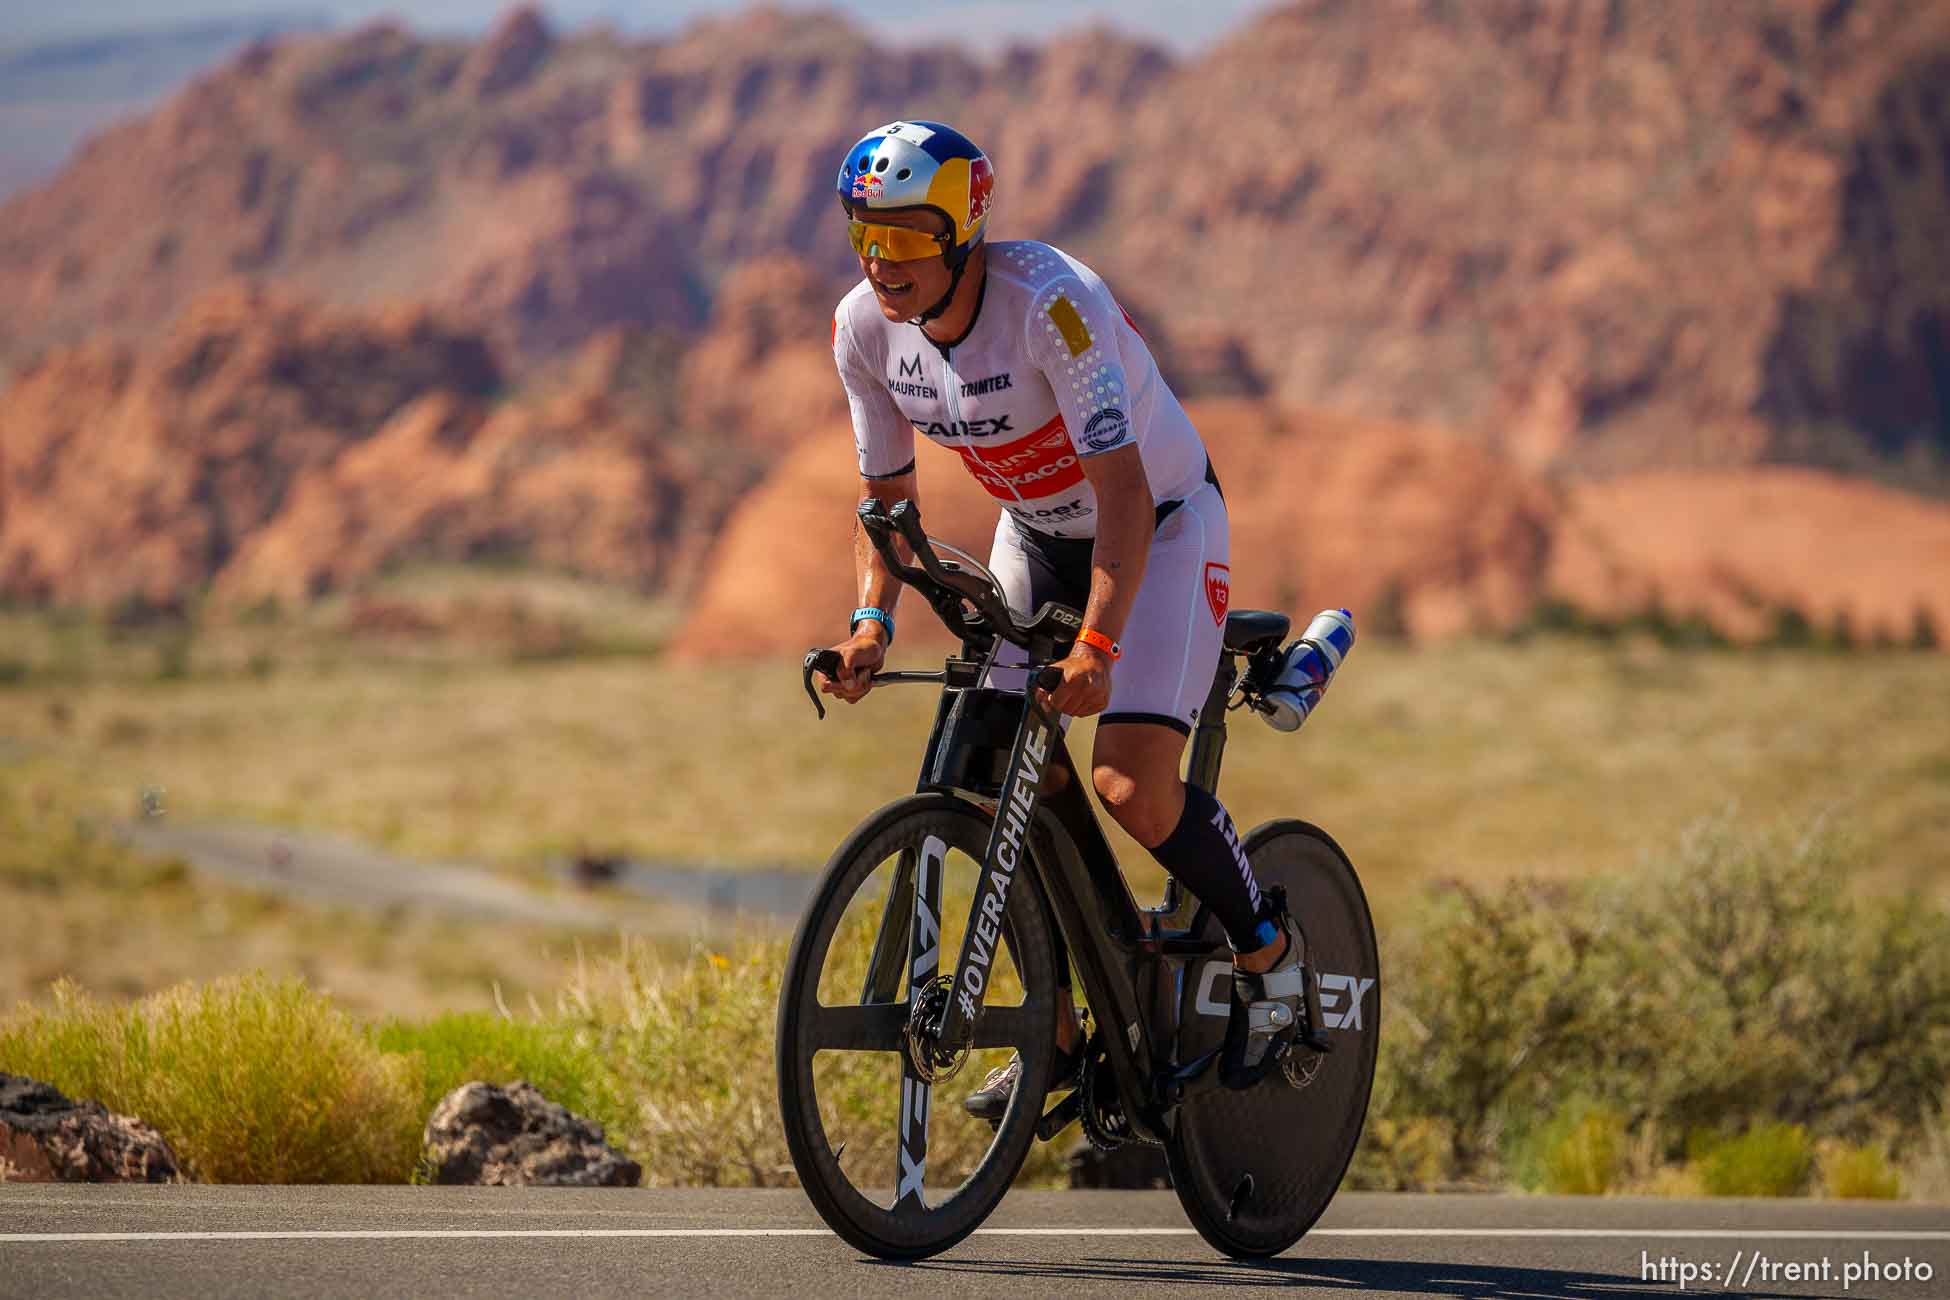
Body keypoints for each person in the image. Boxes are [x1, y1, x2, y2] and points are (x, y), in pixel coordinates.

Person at [816, 120, 1314, 1113]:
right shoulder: (862, 333)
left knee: (1129, 783)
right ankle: (1055, 1028)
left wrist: (1097, 644)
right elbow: (885, 507)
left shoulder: (1055, 305)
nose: (885, 262)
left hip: (1161, 527)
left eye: (909, 236)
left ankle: (1271, 952)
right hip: (1036, 536)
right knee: (995, 764)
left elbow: (1125, 497)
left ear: (963, 233)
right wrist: (869, 625)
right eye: (865, 236)